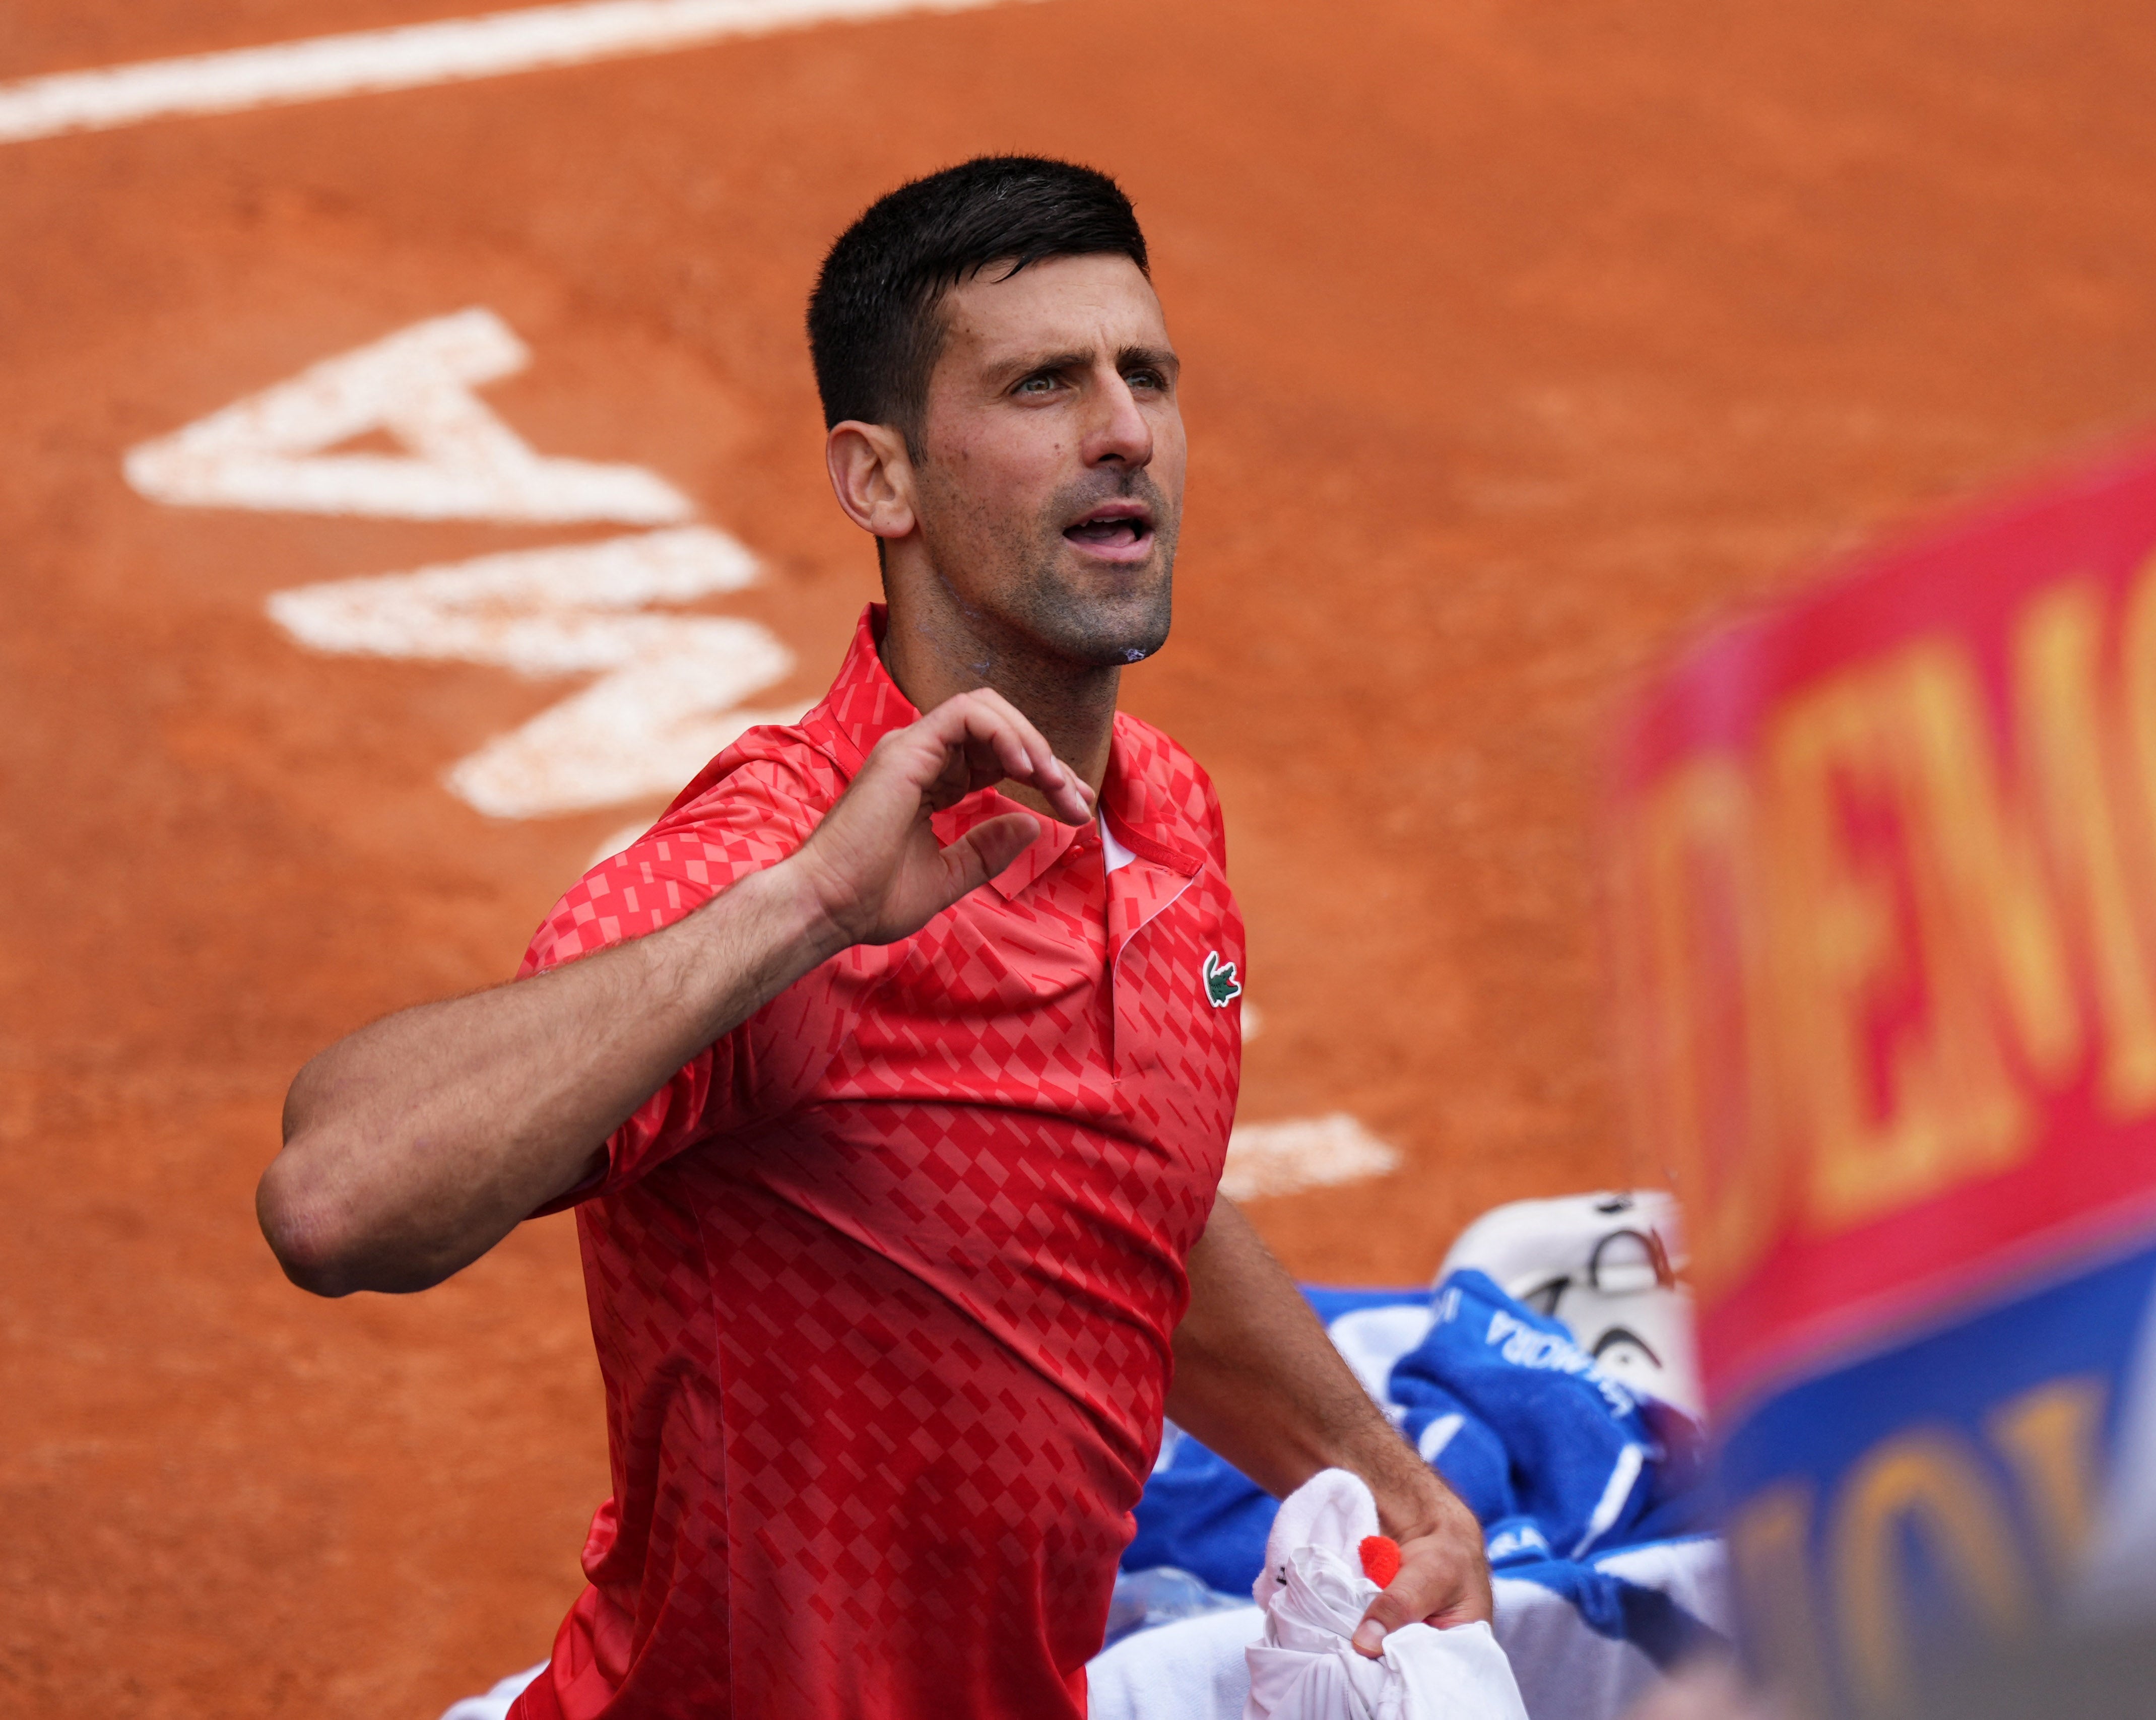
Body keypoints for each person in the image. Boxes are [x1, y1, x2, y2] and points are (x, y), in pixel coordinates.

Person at [256, 157, 1489, 1719]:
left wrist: (1380, 1480)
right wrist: (809, 911)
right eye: (1044, 384)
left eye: (1147, 375)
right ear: (879, 482)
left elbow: (1119, 1200)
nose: (1125, 431)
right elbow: (332, 1199)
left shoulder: (1162, 814)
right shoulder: (765, 869)